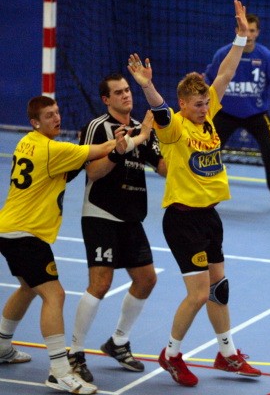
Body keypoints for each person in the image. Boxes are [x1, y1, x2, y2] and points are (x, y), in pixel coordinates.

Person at [126, 0, 261, 387]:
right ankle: (170, 354)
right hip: (182, 219)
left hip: (209, 215)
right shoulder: (174, 128)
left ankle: (227, 354)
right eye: (198, 105)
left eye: (206, 104)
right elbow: (160, 109)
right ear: (183, 104)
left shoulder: (207, 117)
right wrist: (147, 85)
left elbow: (225, 73)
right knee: (199, 294)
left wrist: (240, 37)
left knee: (219, 288)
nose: (204, 109)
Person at [0, 95, 139, 394]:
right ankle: (60, 372)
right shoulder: (53, 149)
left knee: (28, 288)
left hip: (10, 228)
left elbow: (66, 171)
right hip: (25, 233)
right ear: (35, 123)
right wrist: (133, 137)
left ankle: (1, 346)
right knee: (55, 295)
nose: (56, 118)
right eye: (49, 116)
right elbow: (100, 149)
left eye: (57, 112)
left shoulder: (27, 142)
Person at [67, 73, 167, 383]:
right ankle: (75, 353)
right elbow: (93, 172)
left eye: (127, 90)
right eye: (119, 92)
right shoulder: (97, 127)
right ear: (106, 99)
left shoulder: (142, 128)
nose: (126, 95)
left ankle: (118, 342)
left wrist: (184, 149)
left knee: (146, 279)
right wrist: (118, 150)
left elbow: (163, 168)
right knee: (100, 283)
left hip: (131, 216)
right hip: (101, 213)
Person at [204, 12, 270, 216]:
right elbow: (209, 80)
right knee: (206, 152)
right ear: (237, 31)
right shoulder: (223, 54)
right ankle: (202, 197)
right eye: (244, 30)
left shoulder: (266, 56)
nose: (248, 34)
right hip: (224, 113)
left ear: (257, 33)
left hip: (256, 114)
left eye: (252, 30)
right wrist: (200, 81)